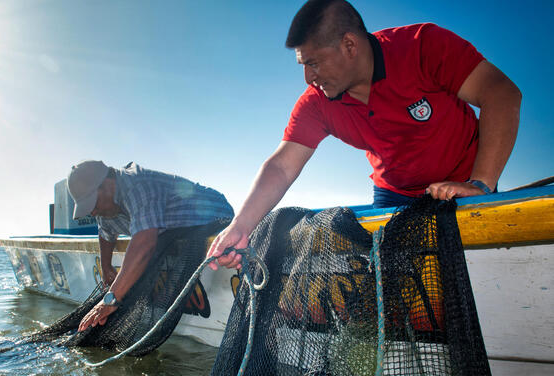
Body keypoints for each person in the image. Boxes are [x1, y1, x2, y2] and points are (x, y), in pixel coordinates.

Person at [208, 0, 521, 270]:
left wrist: (481, 183)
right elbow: (282, 165)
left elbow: (501, 94)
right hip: (393, 194)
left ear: (349, 45)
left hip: (463, 184)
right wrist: (241, 225)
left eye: (314, 63)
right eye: (303, 66)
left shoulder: (422, 45)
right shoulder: (316, 102)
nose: (308, 77)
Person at [68, 160, 234, 330]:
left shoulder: (137, 184)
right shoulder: (105, 209)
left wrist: (110, 299)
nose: (93, 212)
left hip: (215, 215)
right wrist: (106, 267)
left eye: (93, 203)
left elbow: (144, 244)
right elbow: (105, 233)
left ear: (107, 183)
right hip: (169, 231)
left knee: (152, 251)